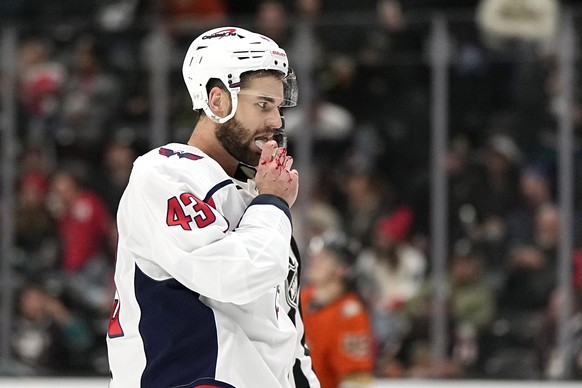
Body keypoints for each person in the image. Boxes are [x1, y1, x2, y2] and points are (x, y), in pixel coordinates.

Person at [106, 26, 320, 388]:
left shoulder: (260, 202)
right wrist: (272, 203)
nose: (277, 121)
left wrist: (269, 203)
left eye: (279, 107)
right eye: (263, 105)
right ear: (217, 100)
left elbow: (287, 337)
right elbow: (232, 276)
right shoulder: (165, 173)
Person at [301, 232, 375, 388]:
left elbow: (356, 379)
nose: (315, 261)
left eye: (325, 257)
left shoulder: (349, 314)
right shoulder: (302, 299)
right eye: (316, 255)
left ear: (342, 268)